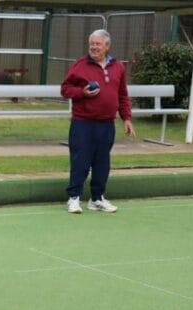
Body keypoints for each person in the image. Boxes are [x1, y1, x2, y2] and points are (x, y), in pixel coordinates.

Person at [61, 29, 136, 214]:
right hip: (83, 123)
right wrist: (82, 93)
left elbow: (122, 94)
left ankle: (96, 199)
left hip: (107, 124)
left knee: (102, 163)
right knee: (80, 161)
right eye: (92, 44)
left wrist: (126, 118)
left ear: (107, 46)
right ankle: (73, 198)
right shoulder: (79, 65)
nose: (94, 47)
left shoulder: (118, 67)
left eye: (98, 44)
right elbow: (65, 89)